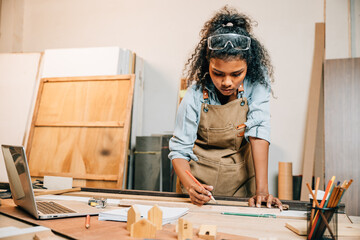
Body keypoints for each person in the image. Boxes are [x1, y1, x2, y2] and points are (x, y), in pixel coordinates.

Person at [168, 6, 282, 210]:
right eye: (218, 73)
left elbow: (258, 133)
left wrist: (263, 191)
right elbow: (179, 150)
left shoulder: (256, 86)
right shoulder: (194, 95)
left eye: (236, 74)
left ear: (249, 65)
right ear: (207, 65)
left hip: (241, 189)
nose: (227, 82)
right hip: (198, 190)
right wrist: (191, 186)